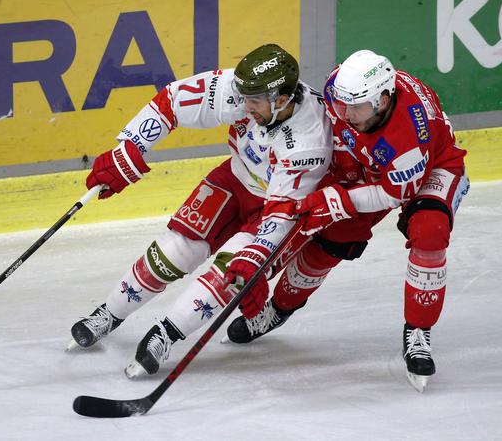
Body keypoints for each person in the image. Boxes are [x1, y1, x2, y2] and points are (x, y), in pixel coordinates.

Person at [67, 44, 334, 378]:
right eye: (244, 97)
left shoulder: (310, 141)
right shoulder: (245, 91)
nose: (244, 105)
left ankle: (165, 334)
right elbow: (172, 102)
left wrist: (256, 258)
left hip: (278, 211)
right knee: (173, 250)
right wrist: (130, 147)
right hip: (235, 179)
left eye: (253, 101)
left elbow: (281, 213)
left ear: (281, 99)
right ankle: (109, 313)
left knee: (228, 277)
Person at [226, 49, 468, 392]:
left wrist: (338, 200)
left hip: (427, 170)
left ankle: (418, 331)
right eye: (342, 105)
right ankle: (279, 309)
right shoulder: (342, 88)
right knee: (332, 241)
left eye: (356, 108)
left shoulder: (409, 140)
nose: (345, 114)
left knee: (430, 234)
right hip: (369, 166)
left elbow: (396, 192)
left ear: (384, 100)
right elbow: (330, 121)